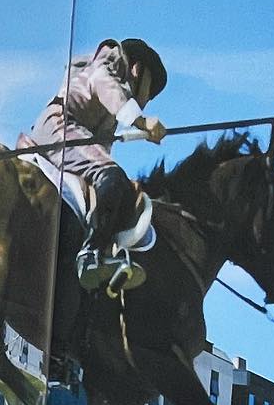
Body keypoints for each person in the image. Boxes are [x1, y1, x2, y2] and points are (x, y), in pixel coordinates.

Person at [24, 37, 169, 291]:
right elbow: (105, 86)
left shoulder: (111, 105)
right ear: (137, 70)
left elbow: (100, 151)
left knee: (112, 180)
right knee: (112, 177)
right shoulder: (107, 66)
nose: (147, 99)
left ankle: (100, 250)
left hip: (67, 131)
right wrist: (142, 122)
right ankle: (90, 253)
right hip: (61, 126)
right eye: (150, 88)